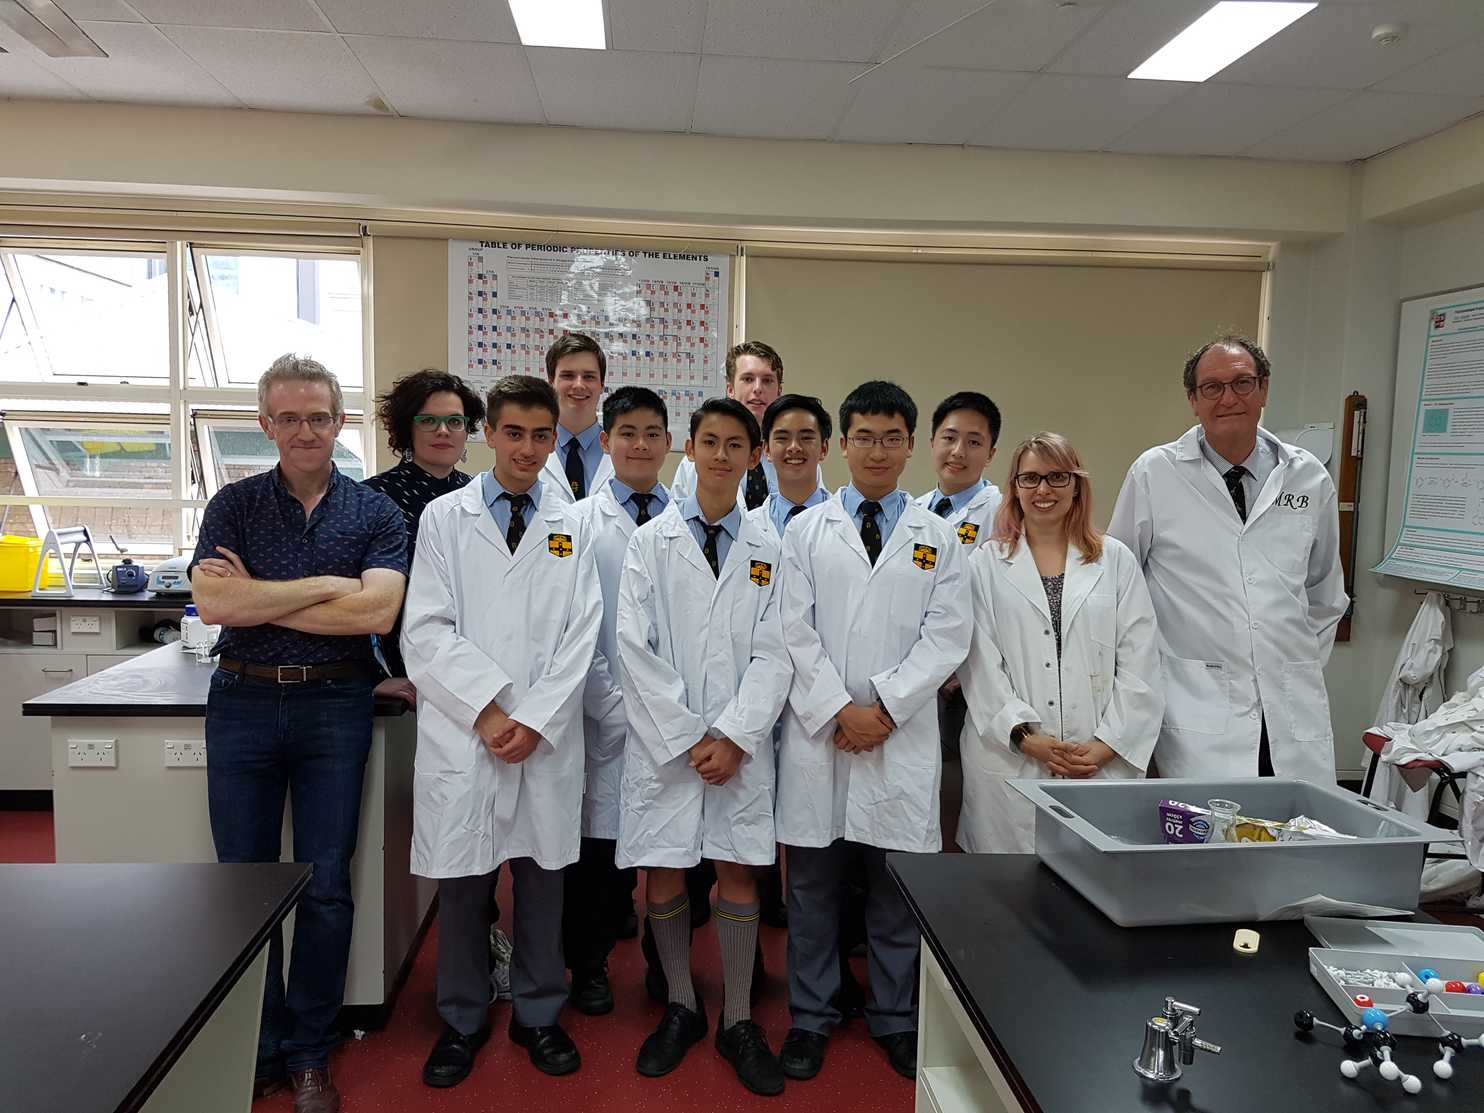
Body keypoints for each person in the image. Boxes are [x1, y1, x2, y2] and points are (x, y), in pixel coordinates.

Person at [189, 354, 409, 1113]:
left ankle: (310, 1050)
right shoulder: (234, 504)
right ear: (266, 425)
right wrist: (324, 587)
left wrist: (259, 594)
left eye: (318, 416)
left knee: (325, 884)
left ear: (340, 421)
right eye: (288, 418)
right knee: (244, 887)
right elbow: (216, 606)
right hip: (242, 702)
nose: (305, 430)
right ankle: (258, 1047)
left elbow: (376, 612)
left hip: (335, 706)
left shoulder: (375, 513)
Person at [402, 374, 602, 1088]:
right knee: (463, 885)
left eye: (541, 435)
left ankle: (539, 1013)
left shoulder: (574, 521)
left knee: (543, 882)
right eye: (513, 432)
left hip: (543, 738)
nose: (527, 448)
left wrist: (535, 718)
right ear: (488, 432)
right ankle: (461, 1018)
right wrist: (488, 712)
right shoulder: (444, 518)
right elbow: (425, 627)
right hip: (468, 733)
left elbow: (583, 633)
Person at [775, 381, 971, 1083]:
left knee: (894, 894)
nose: (877, 451)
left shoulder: (937, 536)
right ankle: (810, 1016)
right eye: (864, 436)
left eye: (891, 438)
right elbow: (791, 630)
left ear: (911, 445)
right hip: (822, 737)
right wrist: (840, 710)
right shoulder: (805, 531)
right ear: (842, 444)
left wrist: (883, 710)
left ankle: (895, 1018)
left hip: (898, 735)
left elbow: (949, 635)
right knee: (812, 892)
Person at [616, 397, 792, 1096]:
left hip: (738, 748)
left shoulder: (770, 547)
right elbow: (633, 648)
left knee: (738, 870)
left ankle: (739, 1019)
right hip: (668, 745)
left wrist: (737, 736)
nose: (721, 455)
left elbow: (778, 652)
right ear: (688, 449)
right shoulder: (648, 543)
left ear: (754, 456)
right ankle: (683, 1006)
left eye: (735, 445)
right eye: (709, 442)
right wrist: (693, 735)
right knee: (663, 870)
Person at [1108, 334, 1347, 782]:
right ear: (1193, 400)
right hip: (1193, 701)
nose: (1229, 398)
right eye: (1212, 387)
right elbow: (1120, 584)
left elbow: (1325, 593)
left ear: (1264, 389)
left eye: (1242, 383)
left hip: (1290, 701)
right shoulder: (1155, 473)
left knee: (1298, 819)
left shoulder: (1308, 477)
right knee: (1206, 822)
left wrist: (1290, 665)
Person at [958, 432, 1164, 853]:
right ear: (1015, 488)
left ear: (1076, 486)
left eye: (1057, 477)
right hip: (1012, 757)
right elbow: (979, 663)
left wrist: (1107, 745)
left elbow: (1141, 662)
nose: (1044, 490)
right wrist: (1023, 736)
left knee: (1095, 877)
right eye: (1030, 478)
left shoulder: (1116, 560)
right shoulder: (985, 564)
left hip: (1099, 758)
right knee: (1008, 882)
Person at [561, 385, 673, 1017]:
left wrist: (663, 708)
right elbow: (575, 626)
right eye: (627, 433)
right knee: (597, 860)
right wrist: (612, 704)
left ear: (669, 443)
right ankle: (589, 967)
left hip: (672, 714)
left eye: (652, 433)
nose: (640, 444)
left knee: (670, 854)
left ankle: (666, 966)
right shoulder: (579, 522)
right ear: (605, 441)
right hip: (601, 711)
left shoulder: (688, 518)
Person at [364, 368, 485, 705]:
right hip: (404, 675)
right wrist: (375, 677)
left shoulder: (481, 496)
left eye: (455, 421)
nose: (443, 431)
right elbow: (356, 599)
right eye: (428, 420)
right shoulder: (371, 499)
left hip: (475, 668)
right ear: (408, 428)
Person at [671, 340, 796, 509]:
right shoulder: (697, 461)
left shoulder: (796, 456)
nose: (758, 388)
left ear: (779, 392)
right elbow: (678, 518)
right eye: (748, 379)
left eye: (767, 381)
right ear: (730, 390)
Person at [915, 391, 1003, 547]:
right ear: (932, 443)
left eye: (974, 442)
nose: (958, 452)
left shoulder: (1002, 514)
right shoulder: (913, 509)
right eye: (949, 438)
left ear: (990, 454)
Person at [541, 331, 614, 502]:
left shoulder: (623, 452)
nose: (579, 385)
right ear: (551, 383)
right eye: (568, 375)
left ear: (601, 385)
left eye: (589, 376)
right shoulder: (531, 449)